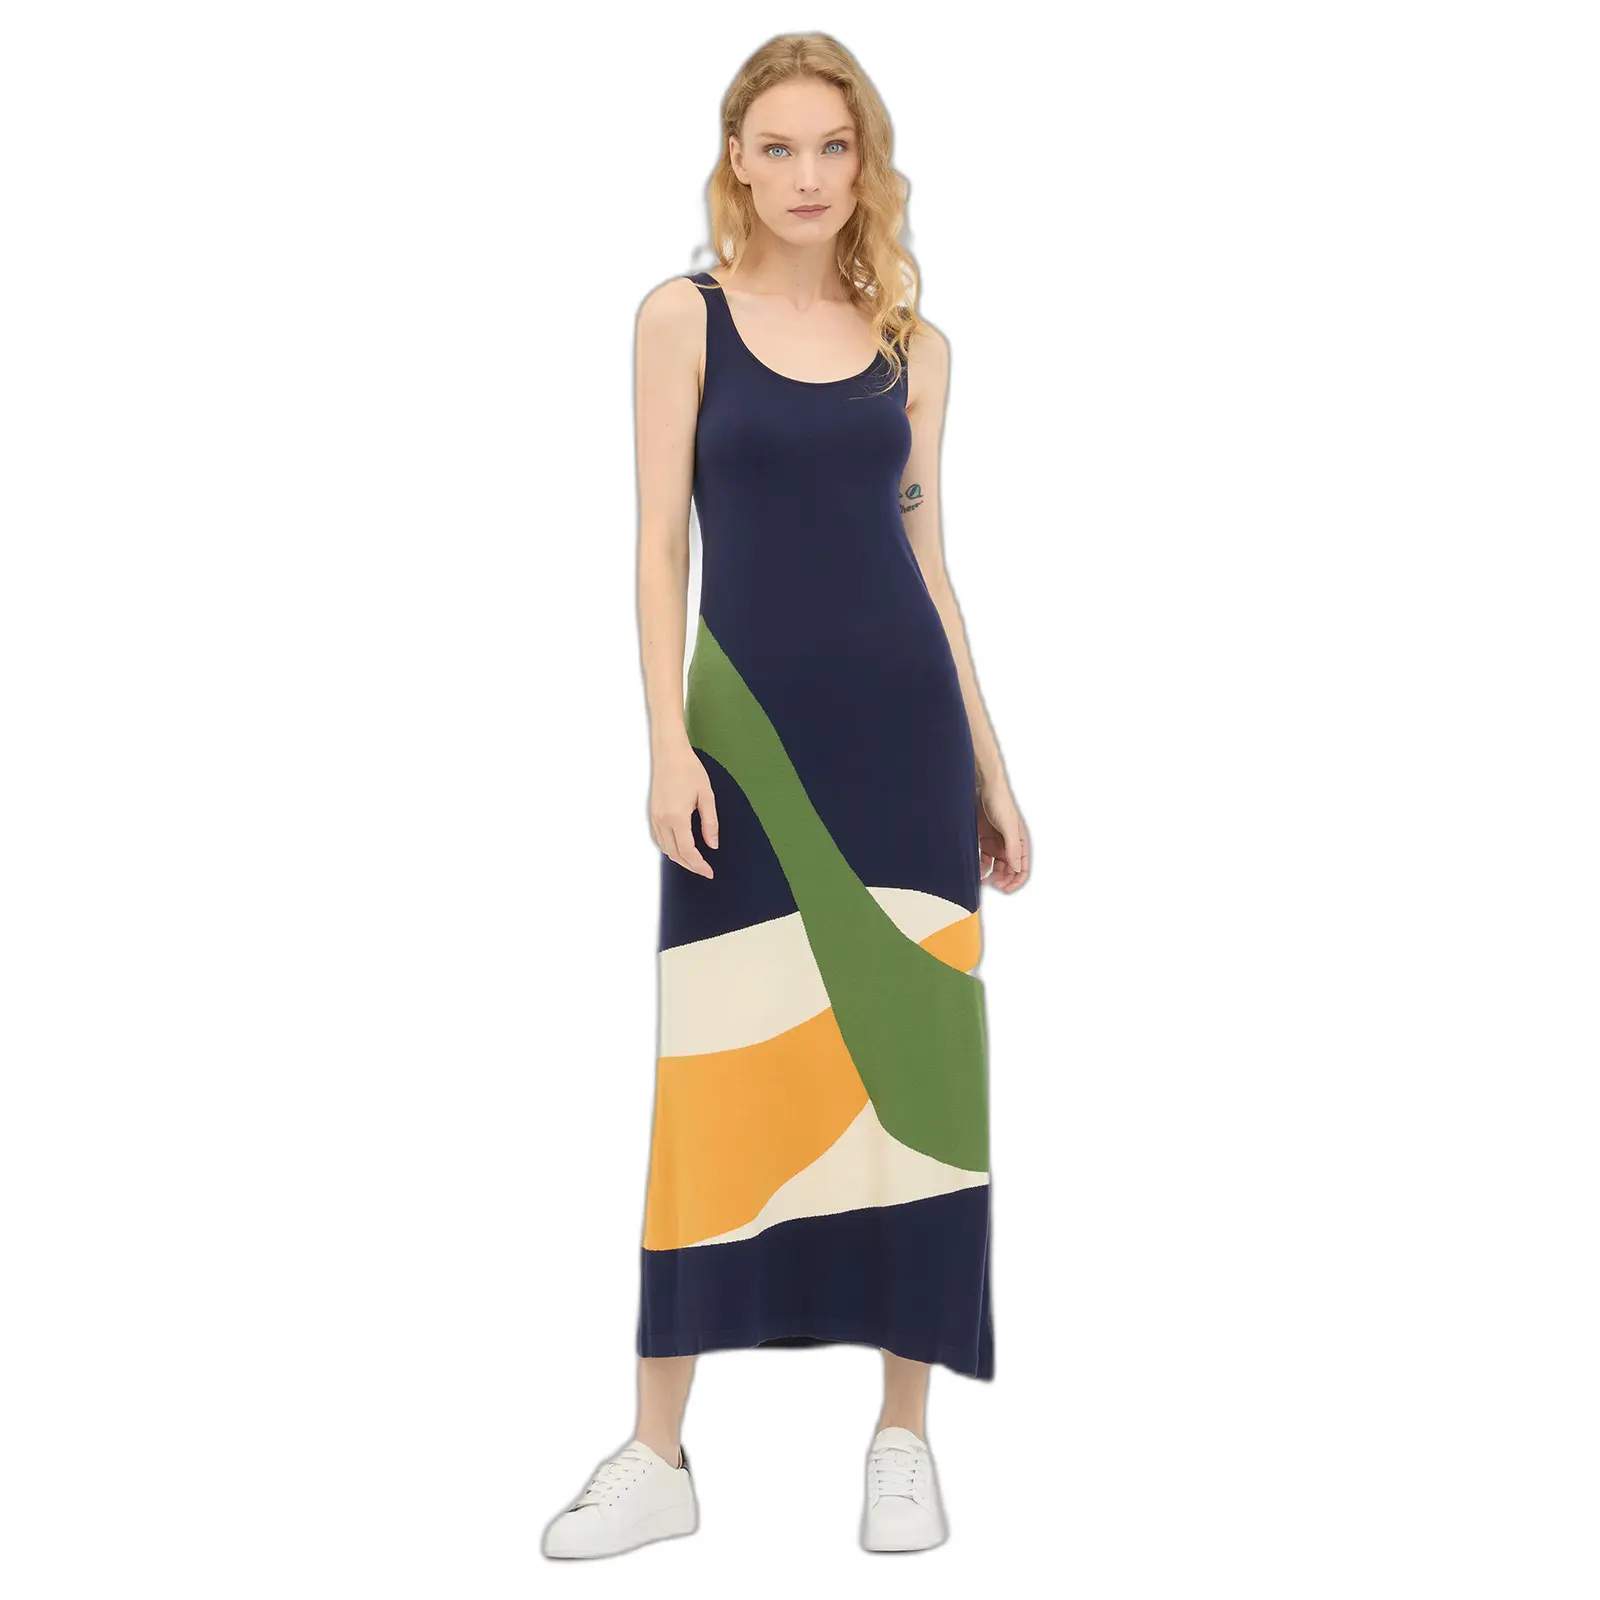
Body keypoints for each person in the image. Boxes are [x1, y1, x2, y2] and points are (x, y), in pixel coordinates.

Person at [542, 33, 1030, 1560]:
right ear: (735, 162)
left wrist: (990, 766)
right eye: (779, 147)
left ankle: (904, 1437)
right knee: (716, 1075)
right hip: (742, 750)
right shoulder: (680, 318)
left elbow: (929, 565)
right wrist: (663, 745)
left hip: (902, 745)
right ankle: (657, 1453)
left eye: (834, 146)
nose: (809, 175)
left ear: (864, 161)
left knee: (916, 1073)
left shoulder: (913, 347)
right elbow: (655, 548)